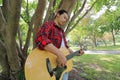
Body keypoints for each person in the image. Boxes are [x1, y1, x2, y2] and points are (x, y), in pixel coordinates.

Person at [35, 9, 84, 80]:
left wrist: (76, 53)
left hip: (63, 68)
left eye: (66, 20)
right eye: (64, 17)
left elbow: (66, 47)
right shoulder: (49, 24)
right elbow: (41, 38)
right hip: (49, 67)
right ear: (57, 14)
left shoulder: (62, 31)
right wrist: (59, 54)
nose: (65, 20)